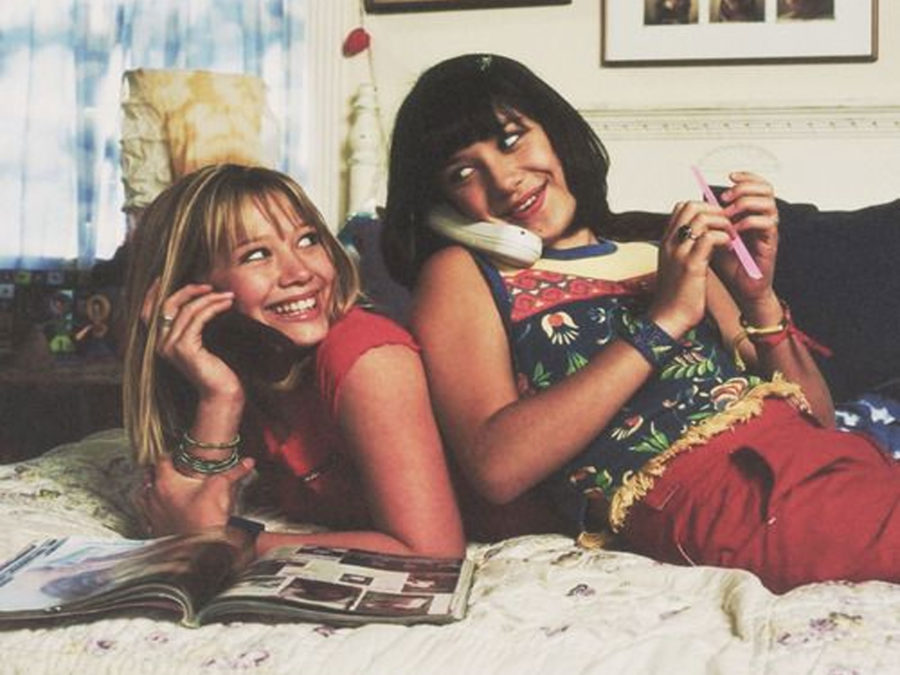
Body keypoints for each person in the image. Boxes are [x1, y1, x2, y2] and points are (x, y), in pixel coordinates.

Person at [380, 53, 900, 594]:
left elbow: (817, 418)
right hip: (711, 493)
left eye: (511, 140)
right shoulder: (461, 274)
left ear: (554, 133)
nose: (505, 180)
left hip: (825, 462)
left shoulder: (663, 254)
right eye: (463, 173)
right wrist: (663, 322)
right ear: (442, 204)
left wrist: (759, 298)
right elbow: (496, 466)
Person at [122, 163, 464, 559]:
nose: (300, 272)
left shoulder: (366, 357)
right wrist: (219, 397)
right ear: (188, 291)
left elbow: (434, 552)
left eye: (308, 240)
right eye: (257, 255)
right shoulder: (248, 366)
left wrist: (231, 541)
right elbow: (180, 510)